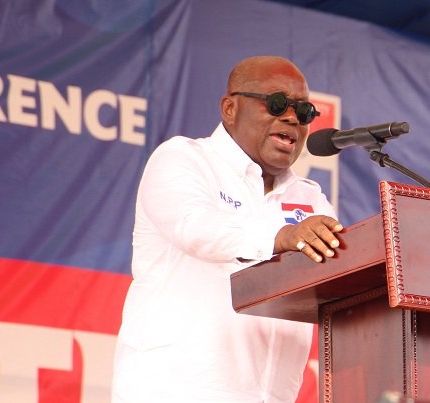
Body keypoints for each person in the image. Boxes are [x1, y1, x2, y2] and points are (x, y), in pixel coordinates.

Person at [111, 56, 343, 403]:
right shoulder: (184, 159)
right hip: (174, 390)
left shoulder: (309, 197)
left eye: (304, 111)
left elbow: (335, 281)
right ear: (230, 108)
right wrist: (280, 238)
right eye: (277, 103)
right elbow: (196, 228)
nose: (292, 118)